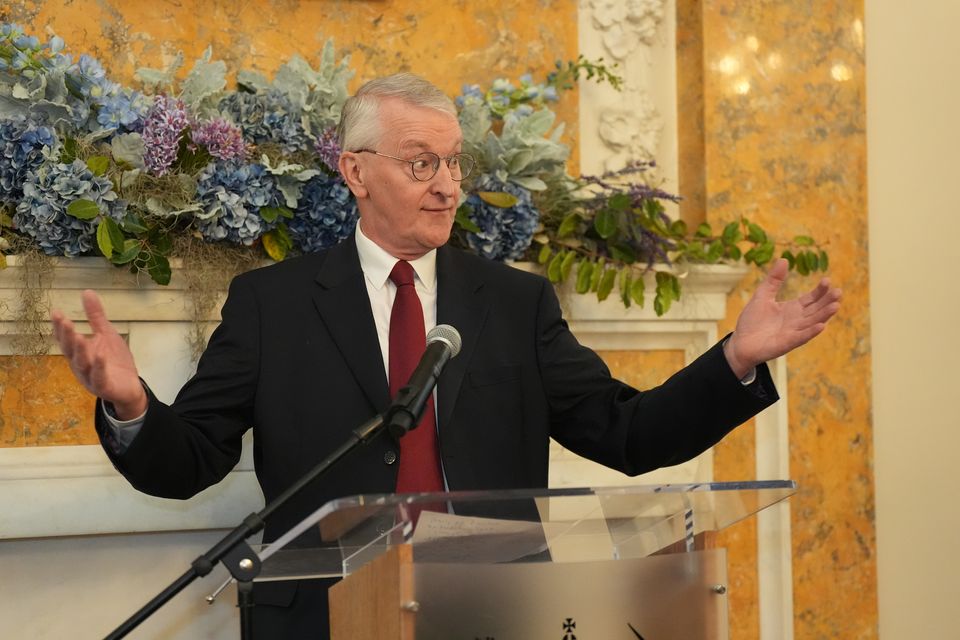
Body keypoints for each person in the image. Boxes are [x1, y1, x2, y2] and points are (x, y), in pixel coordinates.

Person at [50, 73, 841, 638]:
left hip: (491, 613)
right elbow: (188, 462)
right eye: (421, 162)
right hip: (323, 621)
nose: (448, 186)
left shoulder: (512, 301)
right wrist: (131, 406)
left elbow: (626, 435)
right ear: (355, 172)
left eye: (455, 162)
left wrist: (734, 357)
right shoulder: (274, 304)